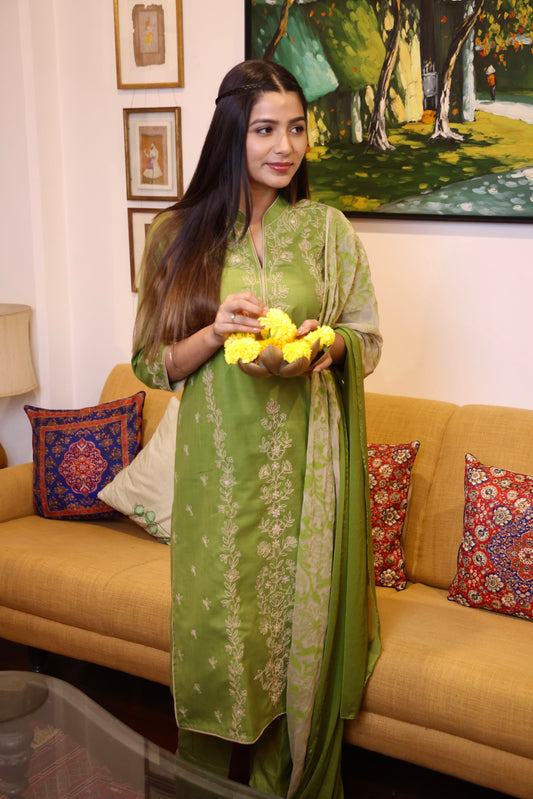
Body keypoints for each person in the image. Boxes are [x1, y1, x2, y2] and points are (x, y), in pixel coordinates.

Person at [132, 59, 382, 799]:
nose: (287, 146)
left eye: (297, 128)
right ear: (232, 133)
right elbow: (151, 363)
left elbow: (366, 335)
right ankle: (200, 782)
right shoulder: (176, 234)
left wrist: (327, 344)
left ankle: (284, 783)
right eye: (267, 129)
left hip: (307, 475)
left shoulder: (326, 231)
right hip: (218, 478)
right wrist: (214, 333)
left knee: (292, 637)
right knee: (218, 640)